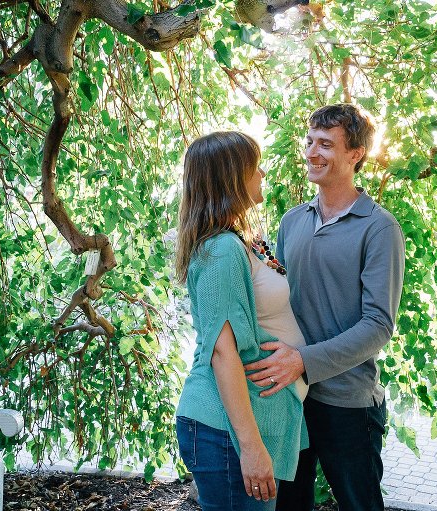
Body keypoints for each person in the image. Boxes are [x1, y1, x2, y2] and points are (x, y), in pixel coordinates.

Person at [244, 104, 405, 511]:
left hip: (347, 402)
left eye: (326, 144)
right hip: (290, 395)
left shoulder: (379, 228)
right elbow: (278, 300)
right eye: (310, 141)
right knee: (289, 506)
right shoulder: (292, 221)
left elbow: (378, 325)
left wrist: (303, 360)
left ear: (355, 155)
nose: (312, 152)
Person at [174, 131, 308, 511]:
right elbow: (221, 353)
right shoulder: (220, 249)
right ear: (233, 176)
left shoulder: (242, 240)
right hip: (225, 432)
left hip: (242, 427)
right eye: (255, 166)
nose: (263, 172)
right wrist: (250, 448)